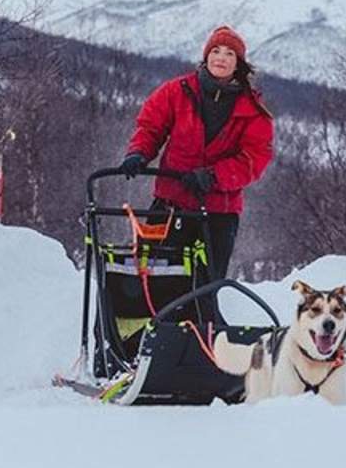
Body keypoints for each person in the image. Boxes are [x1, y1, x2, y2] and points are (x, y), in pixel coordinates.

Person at [117, 25, 275, 283]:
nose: (221, 58)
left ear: (239, 64)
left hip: (218, 212)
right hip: (171, 202)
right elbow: (150, 126)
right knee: (155, 278)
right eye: (216, 51)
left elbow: (254, 159)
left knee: (205, 285)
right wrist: (138, 153)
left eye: (229, 54)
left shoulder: (253, 111)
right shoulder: (176, 91)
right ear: (206, 56)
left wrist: (213, 176)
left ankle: (202, 310)